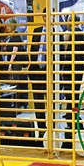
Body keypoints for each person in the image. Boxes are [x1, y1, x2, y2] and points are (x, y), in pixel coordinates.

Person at [59, 15, 84, 150]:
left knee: (68, 93)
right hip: (78, 66)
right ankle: (74, 114)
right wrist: (83, 66)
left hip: (68, 67)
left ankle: (71, 115)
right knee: (75, 93)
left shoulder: (67, 34)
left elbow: (64, 51)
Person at [28, 11, 51, 148]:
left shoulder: (56, 31)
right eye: (45, 16)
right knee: (38, 102)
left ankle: (52, 130)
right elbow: (33, 49)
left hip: (50, 72)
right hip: (36, 70)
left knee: (51, 101)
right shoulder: (37, 31)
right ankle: (42, 130)